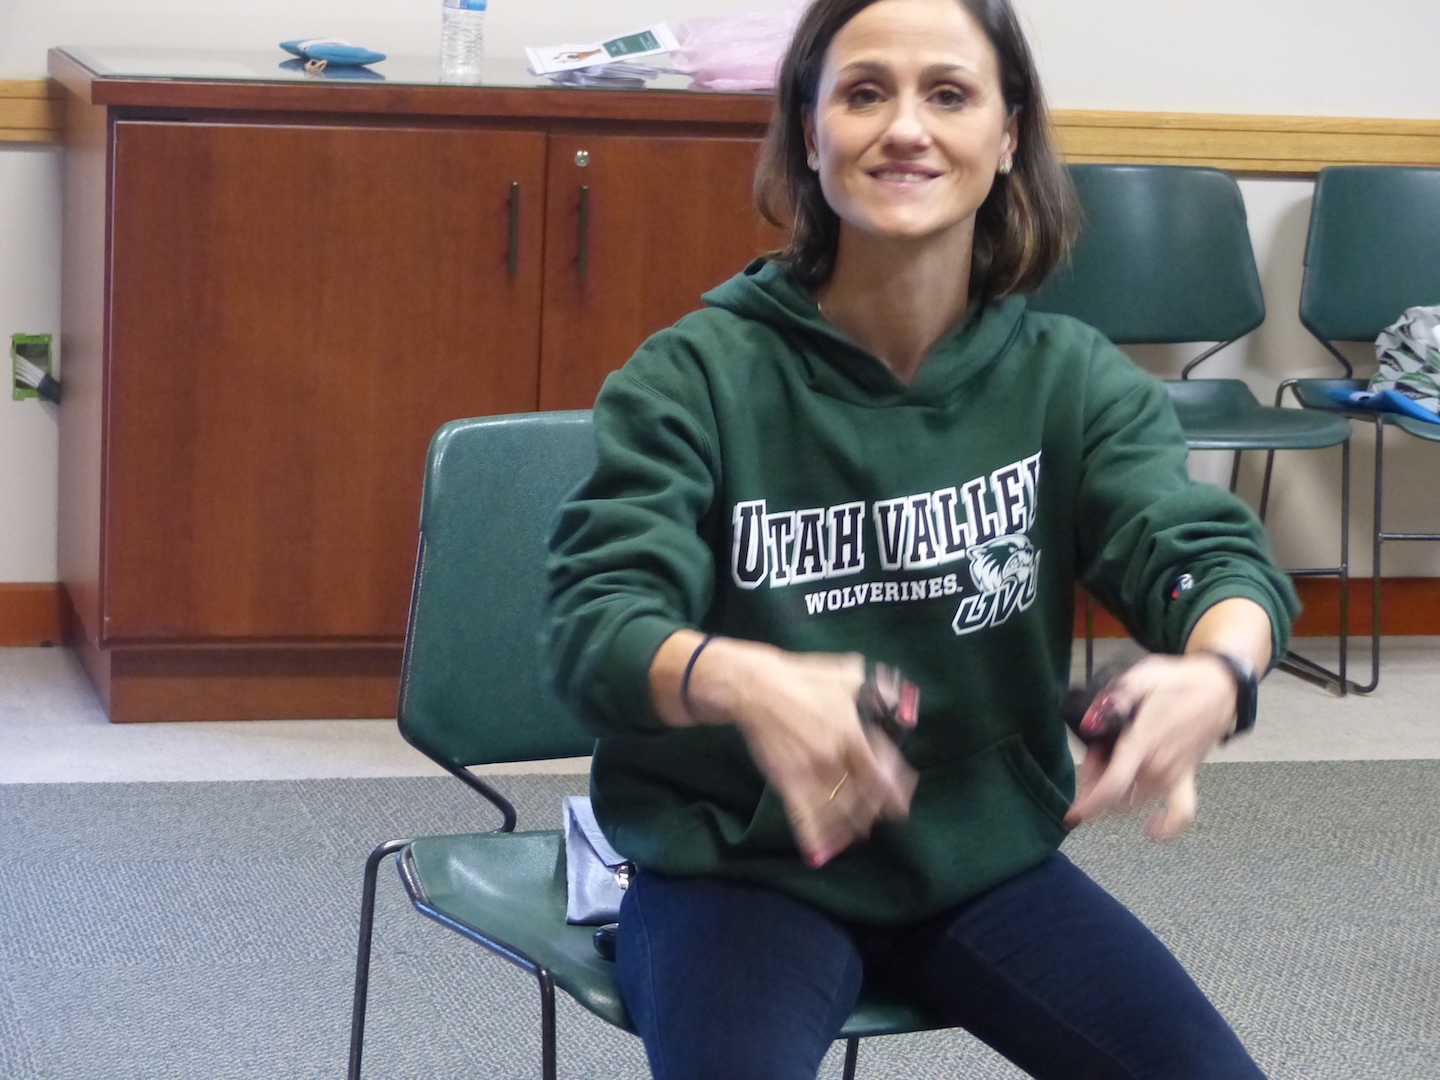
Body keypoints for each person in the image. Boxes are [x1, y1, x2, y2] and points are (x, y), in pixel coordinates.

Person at [545, 0, 1299, 1076]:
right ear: (810, 136)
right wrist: (741, 682)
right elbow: (592, 627)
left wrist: (1220, 670)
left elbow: (1203, 556)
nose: (906, 127)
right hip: (742, 870)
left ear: (1006, 138)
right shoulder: (697, 374)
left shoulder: (1068, 377)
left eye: (948, 93)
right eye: (863, 93)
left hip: (983, 862)